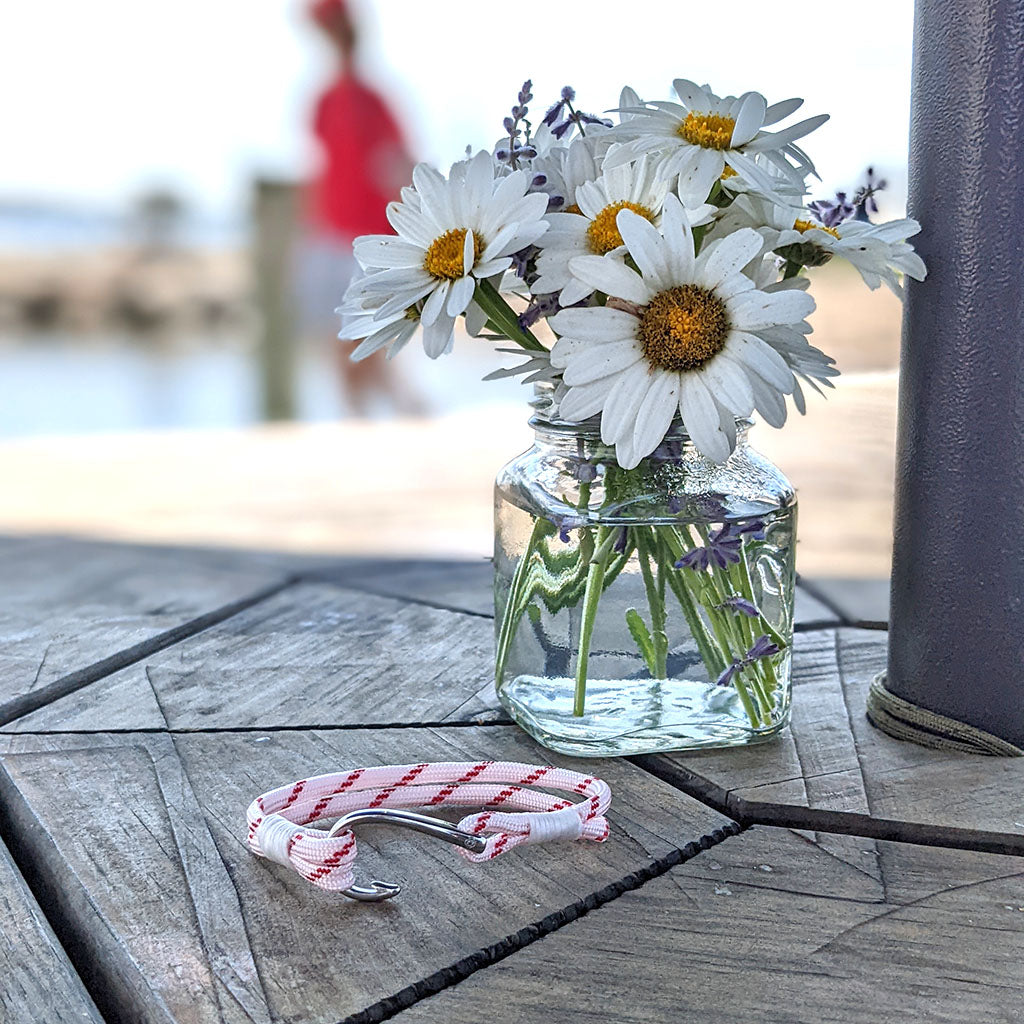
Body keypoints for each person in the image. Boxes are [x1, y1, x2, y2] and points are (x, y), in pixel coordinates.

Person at [302, 0, 420, 414]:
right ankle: (374, 421)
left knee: (363, 342)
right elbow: (320, 168)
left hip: (371, 239)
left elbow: (401, 165)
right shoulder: (326, 101)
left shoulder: (373, 101)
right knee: (346, 345)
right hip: (332, 234)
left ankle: (398, 417)